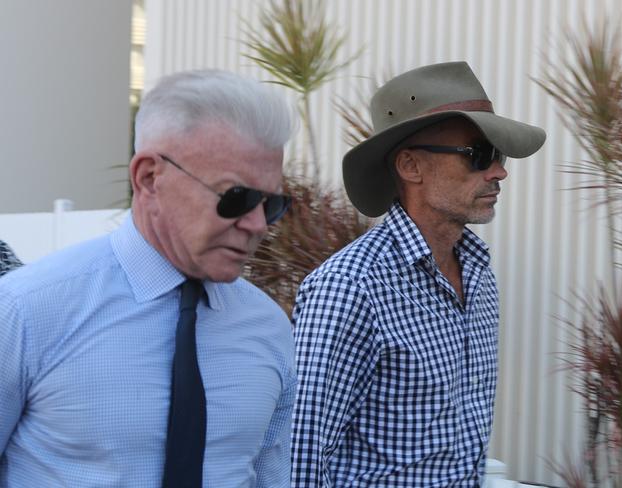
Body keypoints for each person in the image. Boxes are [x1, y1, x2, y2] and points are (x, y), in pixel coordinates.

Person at [0, 69, 296, 487]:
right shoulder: (26, 310)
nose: (257, 224)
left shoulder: (268, 327)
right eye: (237, 197)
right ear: (149, 178)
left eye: (271, 204)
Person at [291, 62, 546, 486]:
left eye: (497, 154)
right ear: (410, 166)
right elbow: (303, 456)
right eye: (478, 155)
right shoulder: (350, 287)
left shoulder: (478, 274)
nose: (499, 171)